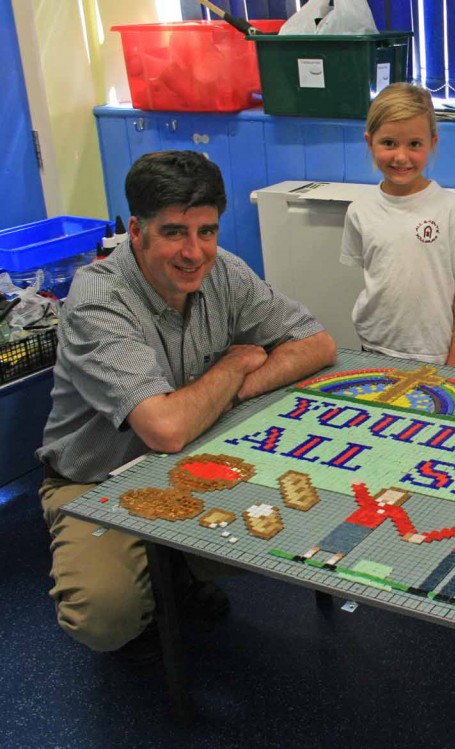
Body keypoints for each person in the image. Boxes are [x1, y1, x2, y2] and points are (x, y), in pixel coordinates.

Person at [36, 150, 337, 663]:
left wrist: (235, 390)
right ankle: (158, 573)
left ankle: (176, 562)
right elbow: (166, 429)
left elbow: (317, 343)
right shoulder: (97, 301)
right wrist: (230, 367)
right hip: (97, 477)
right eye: (175, 232)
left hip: (200, 451)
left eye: (207, 232)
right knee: (105, 615)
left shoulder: (226, 273)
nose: (195, 252)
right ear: (137, 230)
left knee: (308, 513)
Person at [341, 82, 455, 367]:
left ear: (432, 143)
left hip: (435, 352)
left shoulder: (451, 211)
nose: (401, 156)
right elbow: (377, 276)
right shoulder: (360, 211)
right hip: (375, 345)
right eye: (389, 143)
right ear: (370, 142)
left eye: (414, 144)